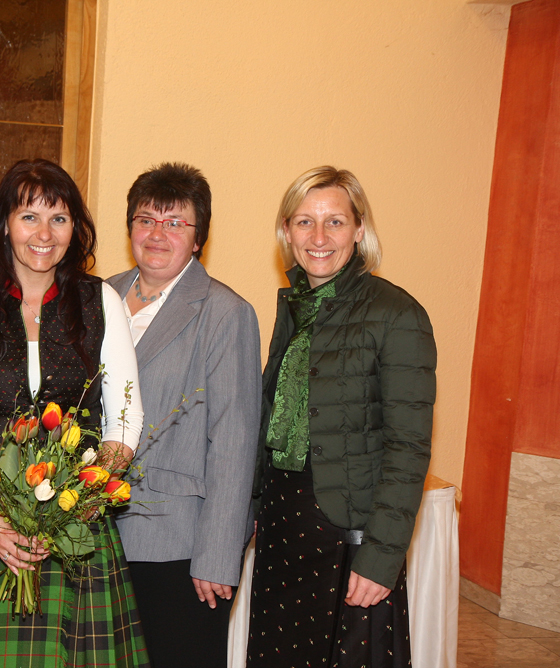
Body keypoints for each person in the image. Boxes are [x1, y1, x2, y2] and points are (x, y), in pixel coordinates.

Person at [0, 159, 150, 667]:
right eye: (29, 217)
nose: (44, 233)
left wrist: (74, 506)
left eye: (58, 218)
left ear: (74, 229)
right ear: (4, 225)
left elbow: (124, 421)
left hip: (74, 527)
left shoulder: (100, 300)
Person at [246, 166, 436, 668]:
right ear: (286, 232)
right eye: (304, 222)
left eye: (335, 221)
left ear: (359, 229)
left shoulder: (398, 314)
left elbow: (408, 447)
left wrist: (380, 559)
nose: (319, 236)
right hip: (284, 525)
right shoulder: (295, 307)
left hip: (347, 539)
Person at [107, 162, 261, 668]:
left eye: (176, 223)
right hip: (96, 535)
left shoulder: (224, 312)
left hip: (180, 543)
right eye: (146, 219)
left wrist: (218, 555)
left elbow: (235, 442)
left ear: (199, 239)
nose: (157, 233)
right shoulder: (100, 295)